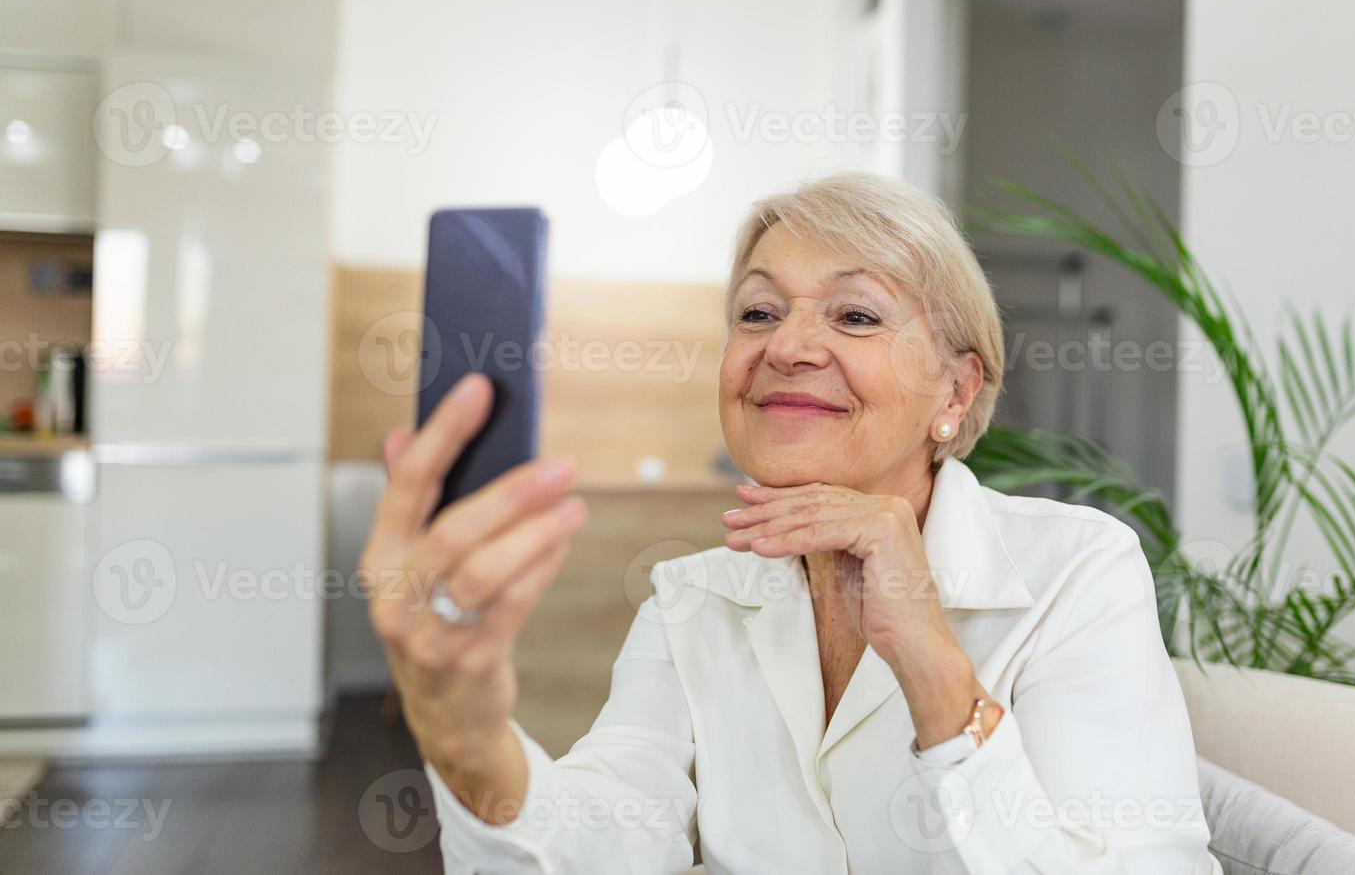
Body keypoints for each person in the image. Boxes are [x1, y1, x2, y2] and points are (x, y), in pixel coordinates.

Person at [359, 172, 1221, 873]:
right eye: (758, 313)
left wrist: (932, 666)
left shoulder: (1077, 571)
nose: (787, 347)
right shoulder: (689, 598)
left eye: (855, 315)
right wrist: (467, 739)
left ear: (954, 393)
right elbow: (614, 835)